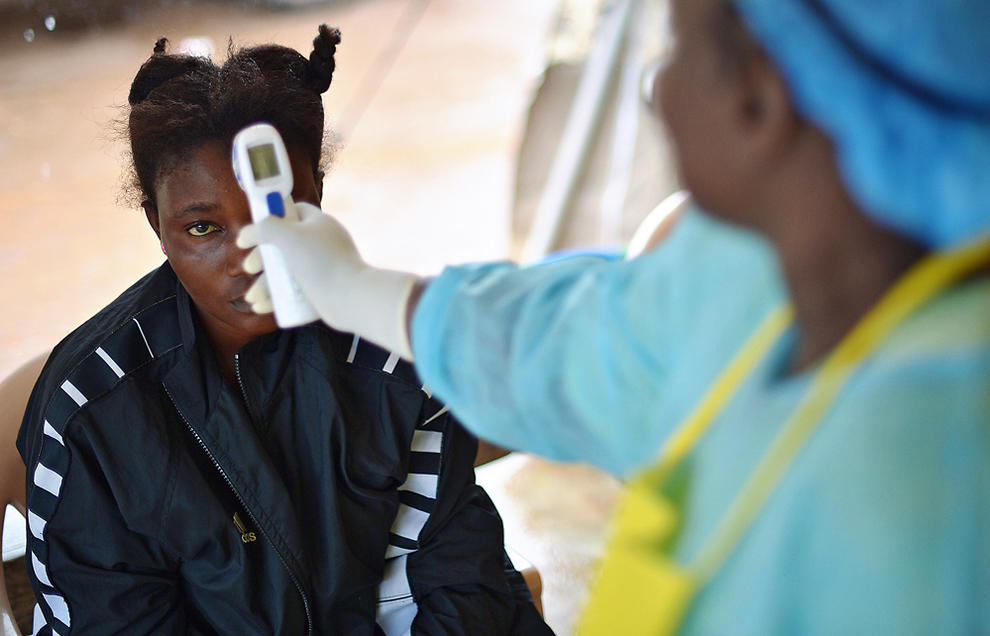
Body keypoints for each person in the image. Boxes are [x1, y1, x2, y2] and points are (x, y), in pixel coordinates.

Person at [237, 0, 990, 633]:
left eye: (679, 48)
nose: (658, 88)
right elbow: (572, 338)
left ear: (758, 100)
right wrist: (358, 290)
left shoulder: (927, 480)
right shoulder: (756, 273)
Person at [16, 26, 549, 635]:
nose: (253, 257)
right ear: (157, 226)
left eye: (279, 211)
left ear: (317, 195)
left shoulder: (396, 363)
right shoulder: (92, 414)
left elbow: (460, 584)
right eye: (203, 228)